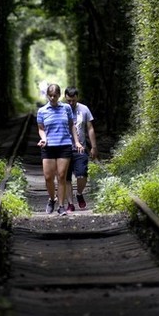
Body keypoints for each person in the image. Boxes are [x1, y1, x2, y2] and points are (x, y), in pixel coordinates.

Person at [36, 82, 83, 216]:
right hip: (48, 147)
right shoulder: (42, 111)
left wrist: (77, 142)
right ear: (47, 95)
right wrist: (43, 138)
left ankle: (61, 206)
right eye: (50, 96)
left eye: (55, 96)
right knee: (48, 177)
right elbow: (41, 128)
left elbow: (71, 125)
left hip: (64, 145)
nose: (52, 98)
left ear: (59, 95)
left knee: (62, 176)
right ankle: (52, 199)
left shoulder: (66, 108)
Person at [64, 86, 96, 211]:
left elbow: (90, 128)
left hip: (80, 148)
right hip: (64, 149)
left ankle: (79, 194)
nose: (71, 103)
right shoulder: (62, 109)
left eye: (73, 100)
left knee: (82, 175)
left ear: (77, 97)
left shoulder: (84, 109)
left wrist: (93, 147)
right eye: (68, 101)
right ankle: (70, 204)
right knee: (66, 178)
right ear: (65, 98)